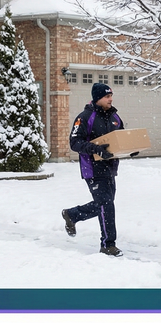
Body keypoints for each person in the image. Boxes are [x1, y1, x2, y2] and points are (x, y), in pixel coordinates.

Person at [62, 82, 125, 256]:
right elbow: (75, 143)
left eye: (111, 96)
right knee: (106, 204)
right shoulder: (84, 117)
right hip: (93, 168)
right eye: (107, 96)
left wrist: (131, 148)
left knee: (104, 205)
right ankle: (107, 244)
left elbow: (121, 138)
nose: (110, 99)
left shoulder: (115, 117)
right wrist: (96, 149)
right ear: (98, 98)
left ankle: (72, 215)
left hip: (110, 167)